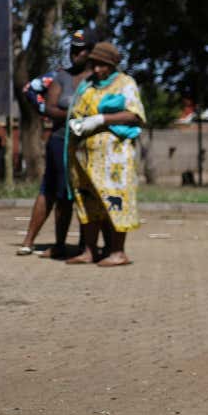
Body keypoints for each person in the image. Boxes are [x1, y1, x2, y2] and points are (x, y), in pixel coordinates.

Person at [64, 41, 146, 267]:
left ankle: (118, 252)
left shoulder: (124, 83)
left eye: (103, 65)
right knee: (87, 203)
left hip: (114, 160)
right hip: (84, 158)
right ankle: (89, 251)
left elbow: (134, 116)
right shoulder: (87, 85)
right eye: (95, 65)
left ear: (112, 65)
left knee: (115, 202)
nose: (98, 70)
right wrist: (78, 124)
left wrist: (101, 120)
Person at [16, 30, 90, 258]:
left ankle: (85, 246)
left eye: (82, 49)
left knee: (84, 195)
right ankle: (35, 241)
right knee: (54, 192)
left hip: (88, 145)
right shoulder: (59, 77)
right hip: (60, 141)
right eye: (73, 49)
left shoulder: (96, 78)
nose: (76, 54)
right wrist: (63, 114)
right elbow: (37, 96)